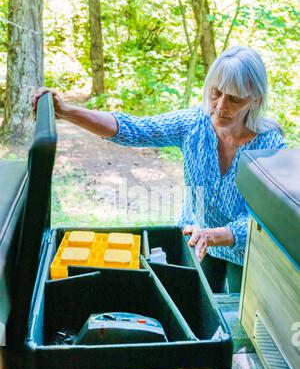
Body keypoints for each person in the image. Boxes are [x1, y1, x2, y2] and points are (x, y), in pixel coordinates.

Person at [32, 45, 286, 293]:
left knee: (242, 318)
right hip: (196, 239)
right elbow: (134, 129)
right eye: (216, 93)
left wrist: (217, 235)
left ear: (255, 100)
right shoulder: (193, 124)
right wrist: (66, 112)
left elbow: (264, 215)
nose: (220, 106)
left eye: (234, 98)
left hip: (246, 248)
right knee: (198, 306)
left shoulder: (269, 144)